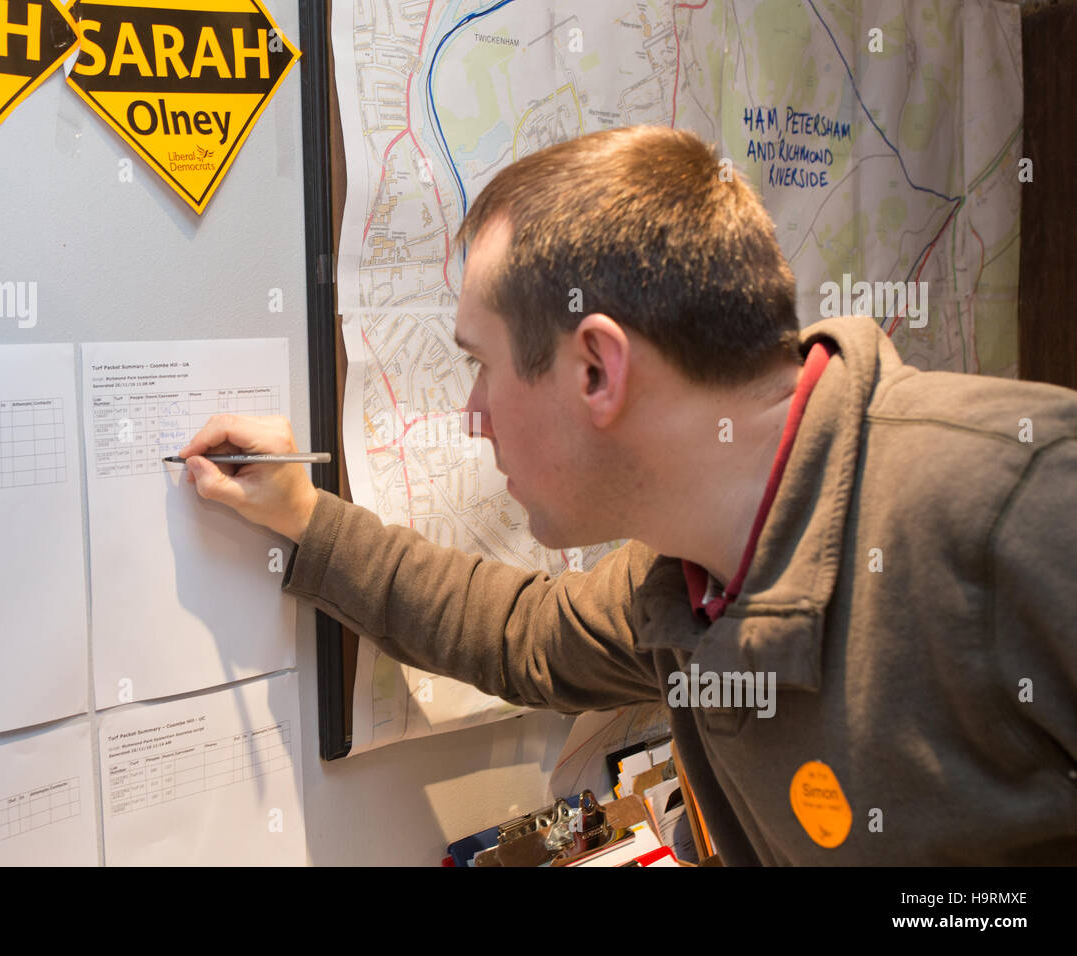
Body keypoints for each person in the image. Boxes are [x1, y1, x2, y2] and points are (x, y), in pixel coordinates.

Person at [177, 125, 1077, 865]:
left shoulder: (1025, 504)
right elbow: (519, 634)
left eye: (482, 367)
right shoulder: (686, 574)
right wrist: (299, 517)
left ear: (598, 369)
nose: (474, 415)